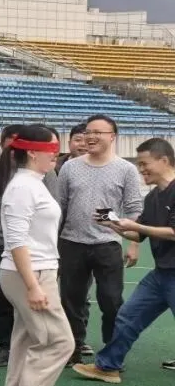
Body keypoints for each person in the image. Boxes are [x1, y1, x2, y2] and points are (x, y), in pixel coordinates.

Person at [72, 138, 175, 384]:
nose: (141, 170)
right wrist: (114, 225)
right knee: (128, 316)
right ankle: (108, 367)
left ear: (164, 160)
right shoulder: (152, 198)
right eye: (139, 165)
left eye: (144, 164)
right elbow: (139, 234)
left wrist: (136, 226)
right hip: (161, 274)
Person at [0, 125, 74, 386]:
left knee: (27, 341)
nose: (56, 155)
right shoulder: (22, 188)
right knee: (59, 342)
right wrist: (33, 286)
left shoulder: (32, 184)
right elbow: (17, 241)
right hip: (30, 273)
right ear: (32, 152)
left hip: (35, 271)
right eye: (52, 149)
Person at [56, 114, 142, 363]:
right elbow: (59, 206)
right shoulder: (70, 167)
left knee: (112, 301)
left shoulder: (126, 169)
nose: (90, 137)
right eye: (88, 132)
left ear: (112, 137)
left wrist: (134, 244)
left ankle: (111, 355)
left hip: (108, 243)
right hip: (71, 242)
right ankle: (72, 349)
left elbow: (134, 209)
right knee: (71, 300)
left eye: (98, 132)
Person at [0, 126, 58, 367]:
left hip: (36, 251)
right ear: (2, 145)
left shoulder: (45, 173)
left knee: (39, 305)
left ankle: (33, 346)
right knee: (3, 301)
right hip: (1, 244)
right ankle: (6, 346)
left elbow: (54, 208)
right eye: (10, 143)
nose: (15, 148)